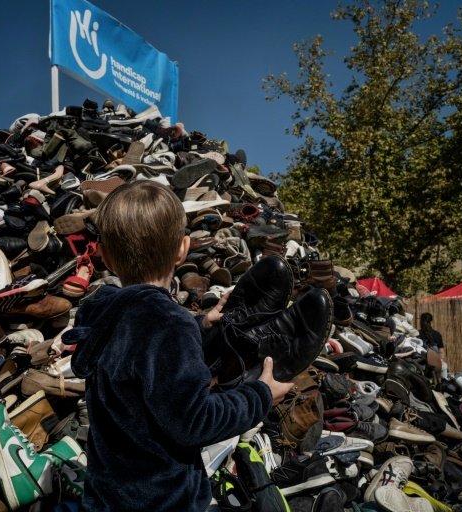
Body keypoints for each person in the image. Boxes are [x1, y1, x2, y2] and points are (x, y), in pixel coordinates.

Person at [67, 181, 294, 512]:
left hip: (104, 495)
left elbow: (137, 357)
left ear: (106, 257)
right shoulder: (169, 324)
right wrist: (260, 395)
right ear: (183, 249)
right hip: (163, 502)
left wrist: (200, 326)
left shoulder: (100, 311)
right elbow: (194, 423)